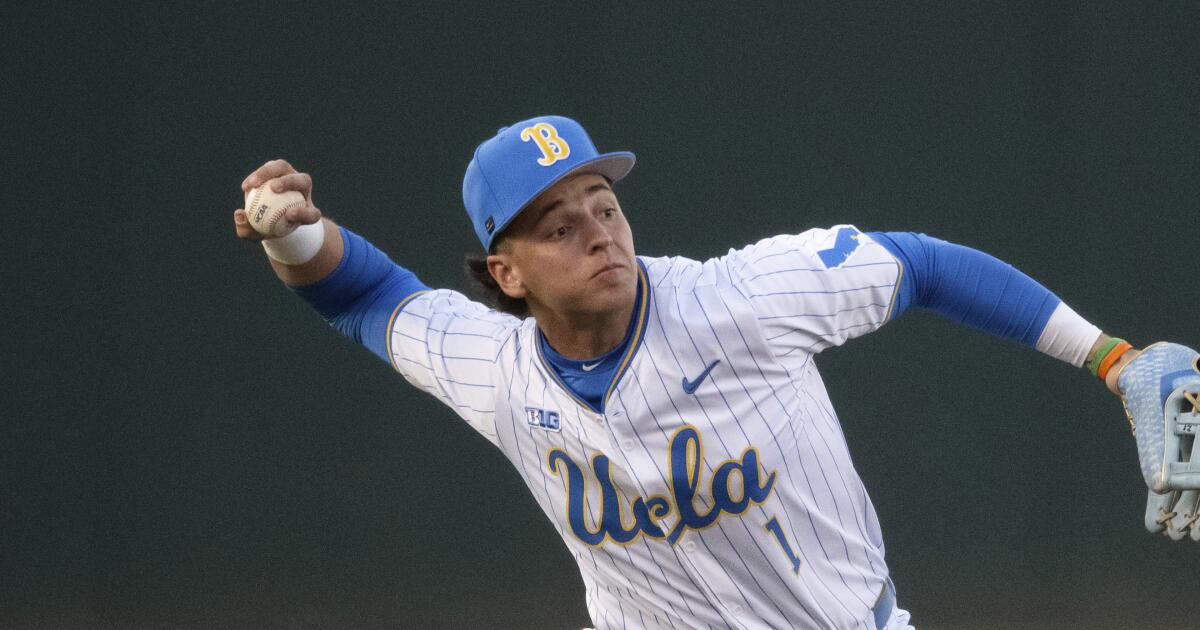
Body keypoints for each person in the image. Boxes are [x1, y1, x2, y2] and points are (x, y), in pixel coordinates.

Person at [233, 116, 1199, 629]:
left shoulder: (738, 300)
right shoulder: (495, 366)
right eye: (557, 225)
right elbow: (364, 295)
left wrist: (1112, 359)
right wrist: (295, 231)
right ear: (506, 272)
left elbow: (923, 265)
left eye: (602, 203)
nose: (598, 233)